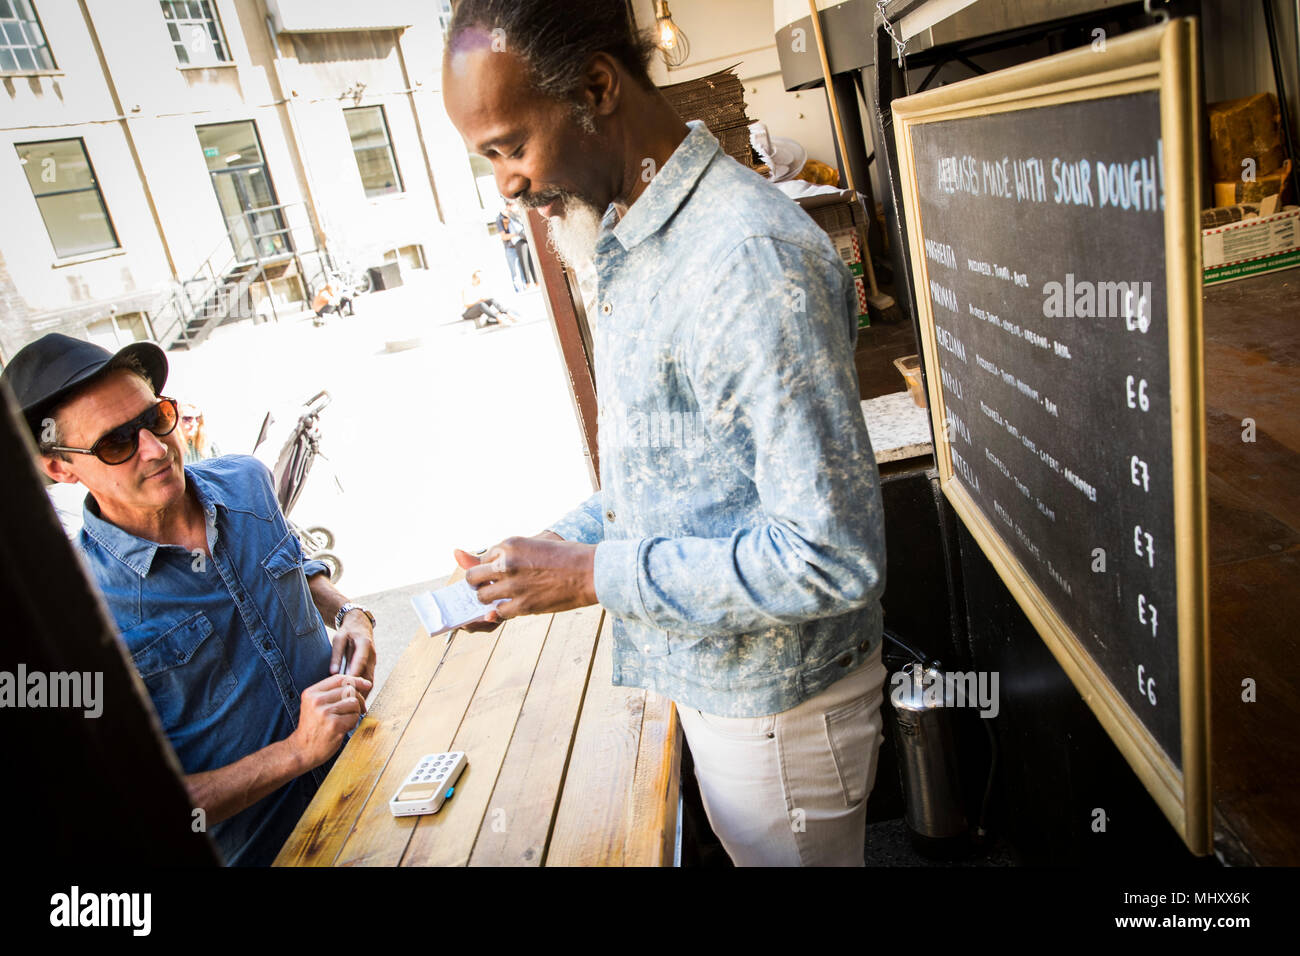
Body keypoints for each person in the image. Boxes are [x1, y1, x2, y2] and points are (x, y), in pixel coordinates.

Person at [443, 0, 888, 867]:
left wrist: (590, 573)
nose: (506, 183)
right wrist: (544, 554)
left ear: (597, 87)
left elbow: (829, 555)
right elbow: (680, 476)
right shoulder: (633, 241)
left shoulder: (742, 257)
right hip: (726, 695)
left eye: (509, 146)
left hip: (780, 717)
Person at [0, 333, 379, 866]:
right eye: (116, 443)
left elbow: (295, 569)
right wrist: (296, 752)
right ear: (59, 467)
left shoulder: (248, 484)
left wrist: (350, 614)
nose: (156, 449)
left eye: (156, 419)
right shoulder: (75, 617)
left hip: (375, 779)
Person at [496, 205, 529, 292]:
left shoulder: (513, 215)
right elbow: (504, 236)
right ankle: (518, 289)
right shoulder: (500, 218)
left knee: (522, 267)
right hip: (510, 247)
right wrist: (517, 234)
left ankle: (525, 286)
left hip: (519, 244)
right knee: (514, 269)